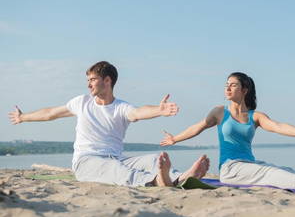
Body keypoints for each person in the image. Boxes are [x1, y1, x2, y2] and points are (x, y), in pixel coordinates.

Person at [8, 61, 209, 187]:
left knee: (152, 160)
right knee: (116, 169)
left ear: (107, 80)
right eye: (88, 80)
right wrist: (23, 116)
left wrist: (159, 110)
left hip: (117, 158)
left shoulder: (121, 107)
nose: (88, 84)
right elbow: (51, 113)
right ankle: (157, 181)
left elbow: (138, 113)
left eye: (92, 79)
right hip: (87, 161)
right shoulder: (82, 102)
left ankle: (183, 177)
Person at [161, 72, 295, 191]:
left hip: (248, 164)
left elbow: (279, 126)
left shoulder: (255, 116)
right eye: (226, 84)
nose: (227, 87)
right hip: (230, 168)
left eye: (233, 84)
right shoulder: (219, 112)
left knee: (281, 169)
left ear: (244, 90)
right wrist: (175, 139)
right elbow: (197, 127)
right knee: (269, 173)